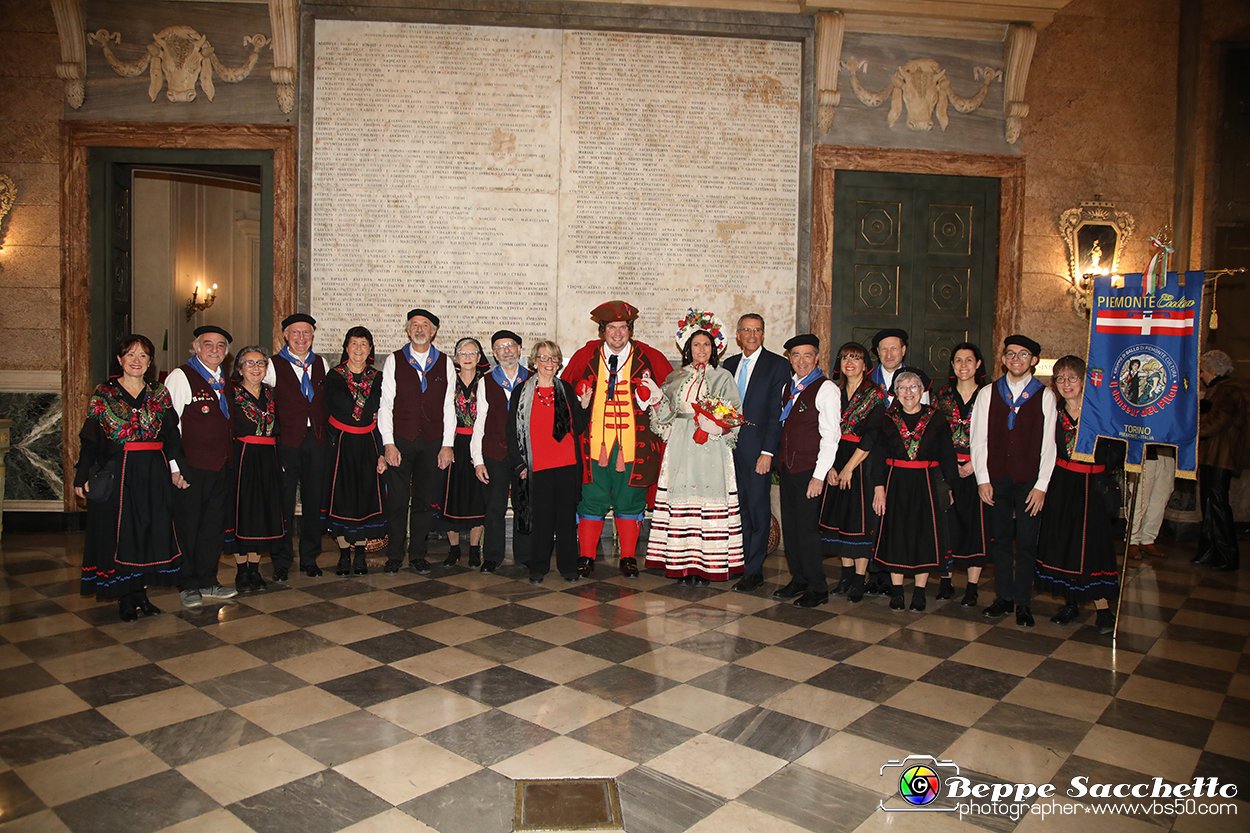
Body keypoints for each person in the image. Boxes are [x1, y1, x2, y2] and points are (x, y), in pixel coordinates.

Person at [73, 335, 185, 621]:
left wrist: (177, 468)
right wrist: (81, 476)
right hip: (119, 471)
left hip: (153, 471)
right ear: (120, 359)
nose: (137, 360)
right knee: (122, 534)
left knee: (149, 531)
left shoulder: (159, 393)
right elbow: (91, 440)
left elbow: (172, 436)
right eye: (131, 355)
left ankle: (142, 594)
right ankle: (125, 597)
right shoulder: (104, 394)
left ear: (150, 362)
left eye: (143, 356)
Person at [561, 300, 674, 577]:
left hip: (634, 448)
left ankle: (627, 558)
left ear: (630, 329)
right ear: (603, 330)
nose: (617, 333)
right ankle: (586, 556)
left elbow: (672, 396)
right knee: (592, 499)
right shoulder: (586, 356)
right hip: (593, 447)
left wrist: (656, 398)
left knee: (630, 499)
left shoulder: (649, 357)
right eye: (611, 327)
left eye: (623, 327)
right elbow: (562, 393)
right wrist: (579, 400)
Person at [645, 315, 744, 584]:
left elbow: (735, 413)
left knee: (707, 501)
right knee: (683, 501)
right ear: (688, 348)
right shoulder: (676, 376)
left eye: (707, 345)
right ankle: (682, 564)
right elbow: (665, 415)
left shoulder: (723, 376)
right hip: (680, 444)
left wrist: (718, 427)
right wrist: (655, 399)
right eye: (697, 345)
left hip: (711, 446)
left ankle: (707, 565)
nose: (702, 350)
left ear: (715, 349)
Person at [971, 334, 1057, 628]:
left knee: (1027, 541)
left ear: (1033, 360)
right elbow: (978, 440)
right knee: (1001, 540)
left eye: (1023, 355)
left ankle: (1023, 602)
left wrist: (1042, 484)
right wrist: (983, 478)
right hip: (997, 479)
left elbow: (1049, 445)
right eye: (1010, 354)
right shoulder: (988, 393)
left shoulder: (1045, 395)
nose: (1016, 359)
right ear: (1004, 358)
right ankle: (1004, 597)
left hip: (1029, 481)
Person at [1035, 355, 1119, 634]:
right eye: (1060, 378)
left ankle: (1104, 610)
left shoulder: (1101, 412)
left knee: (1094, 546)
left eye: (1072, 378)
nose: (1066, 384)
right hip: (1062, 483)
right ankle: (1070, 602)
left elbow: (1117, 450)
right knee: (1064, 542)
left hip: (1093, 485)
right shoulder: (1054, 411)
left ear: (1084, 381)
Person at [869, 370, 959, 612]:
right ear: (895, 393)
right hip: (895, 481)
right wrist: (878, 486)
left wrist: (949, 486)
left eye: (913, 387)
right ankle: (897, 592)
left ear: (922, 390)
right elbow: (877, 455)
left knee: (924, 536)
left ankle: (919, 593)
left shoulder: (937, 418)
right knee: (896, 534)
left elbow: (948, 455)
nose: (908, 392)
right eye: (902, 388)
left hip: (927, 484)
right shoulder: (886, 419)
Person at [165, 325, 240, 608]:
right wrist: (176, 467)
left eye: (221, 345)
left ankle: (208, 580)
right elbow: (170, 426)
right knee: (188, 527)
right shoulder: (181, 376)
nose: (214, 350)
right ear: (196, 347)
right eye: (208, 344)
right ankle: (188, 583)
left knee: (213, 526)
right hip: (192, 467)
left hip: (221, 465)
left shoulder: (225, 381)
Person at [379, 308, 456, 575]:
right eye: (415, 325)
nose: (420, 329)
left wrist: (447, 445)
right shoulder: (394, 360)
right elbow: (386, 404)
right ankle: (394, 555)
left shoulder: (445, 362)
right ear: (408, 330)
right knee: (398, 501)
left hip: (432, 442)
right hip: (401, 440)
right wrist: (388, 443)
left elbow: (449, 407)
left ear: (434, 331)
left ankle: (418, 556)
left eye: (425, 325)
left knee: (424, 502)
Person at [508, 340, 590, 584]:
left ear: (558, 363)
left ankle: (568, 567)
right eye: (543, 358)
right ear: (534, 362)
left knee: (566, 518)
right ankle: (538, 567)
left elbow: (578, 427)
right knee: (541, 519)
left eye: (553, 359)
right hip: (538, 465)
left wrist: (584, 406)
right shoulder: (521, 392)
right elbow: (511, 432)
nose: (549, 363)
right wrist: (520, 464)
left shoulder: (565, 388)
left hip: (566, 463)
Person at [722, 314, 790, 593]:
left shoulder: (778, 365)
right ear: (738, 335)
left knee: (758, 510)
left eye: (757, 330)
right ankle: (739, 562)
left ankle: (754, 571)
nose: (752, 335)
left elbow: (778, 413)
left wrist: (767, 452)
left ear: (763, 334)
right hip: (727, 449)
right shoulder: (728, 365)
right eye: (746, 330)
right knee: (736, 510)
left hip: (757, 450)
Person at [773, 334, 840, 608]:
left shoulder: (826, 389)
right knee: (791, 527)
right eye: (796, 355)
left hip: (809, 471)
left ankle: (817, 586)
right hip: (788, 469)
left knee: (808, 530)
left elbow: (831, 436)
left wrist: (818, 476)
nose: (801, 361)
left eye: (807, 355)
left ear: (816, 358)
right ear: (790, 358)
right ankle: (798, 578)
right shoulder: (788, 386)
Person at [819, 341, 888, 602]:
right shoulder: (834, 392)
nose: (850, 363)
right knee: (840, 520)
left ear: (865, 364)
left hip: (862, 462)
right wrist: (832, 467)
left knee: (860, 522)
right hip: (837, 457)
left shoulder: (876, 393)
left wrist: (848, 468)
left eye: (856, 358)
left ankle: (860, 579)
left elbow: (871, 437)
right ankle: (846, 575)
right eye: (845, 357)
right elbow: (826, 431)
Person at [265, 313, 330, 580]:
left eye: (306, 333)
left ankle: (309, 557)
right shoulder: (272, 365)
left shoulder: (322, 363)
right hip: (287, 441)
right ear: (285, 336)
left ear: (312, 336)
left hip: (316, 440)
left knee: (314, 500)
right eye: (296, 333)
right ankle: (281, 559)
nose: (301, 338)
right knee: (284, 501)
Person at [324, 326, 387, 576]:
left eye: (364, 344)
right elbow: (333, 409)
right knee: (342, 498)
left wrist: (382, 450)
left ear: (370, 349)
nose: (358, 348)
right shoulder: (334, 376)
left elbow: (381, 413)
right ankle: (343, 554)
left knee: (365, 497)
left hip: (369, 444)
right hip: (340, 444)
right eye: (354, 343)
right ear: (346, 347)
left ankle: (359, 555)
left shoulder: (378, 377)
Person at [931, 342, 989, 606]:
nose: (963, 365)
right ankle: (946, 581)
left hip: (980, 470)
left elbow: (996, 436)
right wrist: (949, 466)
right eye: (958, 360)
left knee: (975, 526)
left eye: (968, 360)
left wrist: (976, 464)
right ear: (952, 365)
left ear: (978, 364)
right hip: (948, 470)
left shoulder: (989, 395)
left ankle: (973, 587)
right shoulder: (941, 396)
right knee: (947, 525)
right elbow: (935, 435)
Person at [471, 330, 532, 573]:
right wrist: (478, 460)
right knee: (494, 507)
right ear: (495, 354)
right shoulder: (486, 381)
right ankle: (493, 556)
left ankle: (525, 554)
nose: (506, 350)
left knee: (524, 505)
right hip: (494, 453)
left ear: (519, 348)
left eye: (510, 346)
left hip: (524, 455)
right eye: (500, 347)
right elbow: (479, 421)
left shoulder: (533, 378)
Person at [224, 346, 283, 593]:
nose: (256, 368)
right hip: (243, 457)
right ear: (239, 368)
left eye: (260, 363)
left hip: (268, 457)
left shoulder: (270, 393)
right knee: (243, 512)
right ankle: (241, 572)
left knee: (263, 512)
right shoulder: (230, 393)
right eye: (249, 363)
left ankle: (255, 570)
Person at [1194, 349, 1250, 572]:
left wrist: (1192, 423)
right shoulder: (1220, 390)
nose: (1201, 376)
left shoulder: (1229, 392)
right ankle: (1209, 552)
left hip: (1221, 457)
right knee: (1208, 504)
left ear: (1214, 370)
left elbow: (1216, 423)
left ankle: (1227, 555)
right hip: (1213, 456)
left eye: (1203, 371)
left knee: (1217, 504)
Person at [439, 336, 489, 568]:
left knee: (477, 496)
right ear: (456, 358)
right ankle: (454, 549)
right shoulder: (449, 381)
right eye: (463, 354)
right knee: (452, 495)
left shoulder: (486, 383)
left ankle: (474, 549)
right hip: (453, 442)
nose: (467, 358)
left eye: (472, 354)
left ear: (479, 358)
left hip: (478, 444)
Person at [1128, 445, 1175, 559]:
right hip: (1146, 451)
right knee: (1140, 497)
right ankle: (1132, 541)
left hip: (1168, 450)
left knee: (1160, 499)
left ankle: (1148, 539)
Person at [870, 328, 930, 405]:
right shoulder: (867, 379)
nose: (889, 355)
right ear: (878, 351)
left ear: (903, 350)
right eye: (884, 349)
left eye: (893, 348)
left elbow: (925, 414)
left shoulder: (918, 378)